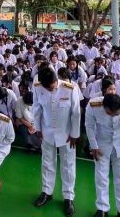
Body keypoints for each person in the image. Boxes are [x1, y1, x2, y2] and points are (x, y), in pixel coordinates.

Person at [32, 65, 81, 217]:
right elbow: (36, 108)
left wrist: (75, 134)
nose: (51, 90)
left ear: (56, 80)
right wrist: (38, 128)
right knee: (47, 163)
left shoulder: (70, 88)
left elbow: (76, 113)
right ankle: (47, 192)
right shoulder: (38, 87)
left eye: (53, 87)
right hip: (47, 131)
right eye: (48, 88)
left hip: (66, 134)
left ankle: (68, 197)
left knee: (68, 166)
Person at [85, 93, 120, 217]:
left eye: (117, 114)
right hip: (101, 145)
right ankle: (102, 208)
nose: (114, 116)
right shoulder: (93, 105)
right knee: (101, 176)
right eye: (110, 113)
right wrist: (94, 146)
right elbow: (89, 126)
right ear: (104, 107)